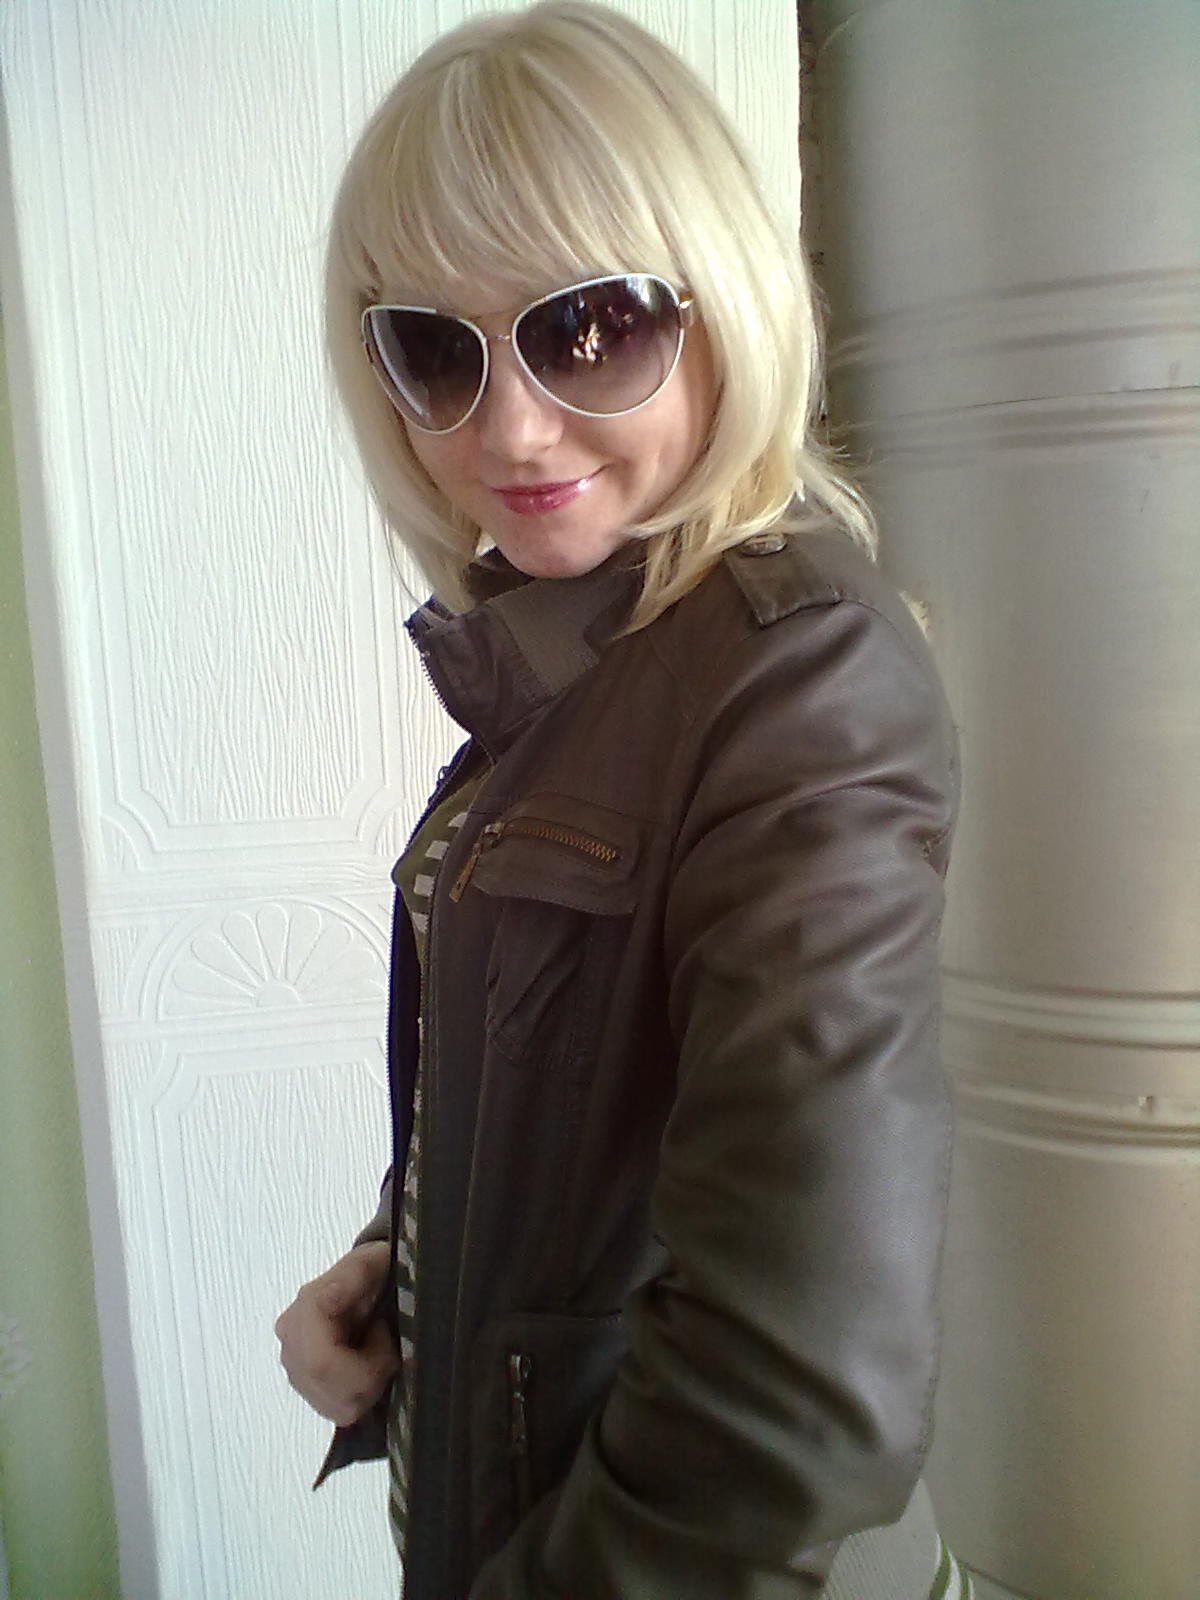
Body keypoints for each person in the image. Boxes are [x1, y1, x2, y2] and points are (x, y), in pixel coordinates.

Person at [275, 4, 970, 1596]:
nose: (510, 427)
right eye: (435, 348)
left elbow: (796, 1401)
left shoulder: (794, 682)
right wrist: (403, 1257)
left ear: (722, 304)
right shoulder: (587, 650)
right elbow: (583, 1088)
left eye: (590, 328)